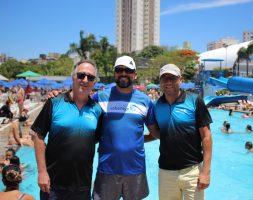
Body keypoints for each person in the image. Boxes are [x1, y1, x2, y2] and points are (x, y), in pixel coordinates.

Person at [31, 60, 102, 200]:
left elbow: (93, 141)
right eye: (81, 75)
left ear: (94, 82)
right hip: (52, 184)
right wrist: (42, 172)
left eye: (90, 77)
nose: (85, 80)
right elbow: (38, 136)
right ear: (73, 77)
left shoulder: (97, 110)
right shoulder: (54, 103)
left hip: (83, 186)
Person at [92, 55, 160, 200]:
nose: (123, 73)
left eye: (128, 70)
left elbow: (155, 133)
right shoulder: (100, 98)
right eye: (119, 70)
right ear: (114, 73)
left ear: (135, 74)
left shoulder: (145, 101)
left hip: (135, 169)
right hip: (107, 168)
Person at [154, 64, 212, 200]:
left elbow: (206, 137)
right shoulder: (156, 106)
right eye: (164, 78)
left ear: (180, 79)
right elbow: (159, 133)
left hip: (192, 171)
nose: (168, 82)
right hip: (166, 172)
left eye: (172, 78)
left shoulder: (195, 100)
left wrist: (206, 172)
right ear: (160, 81)